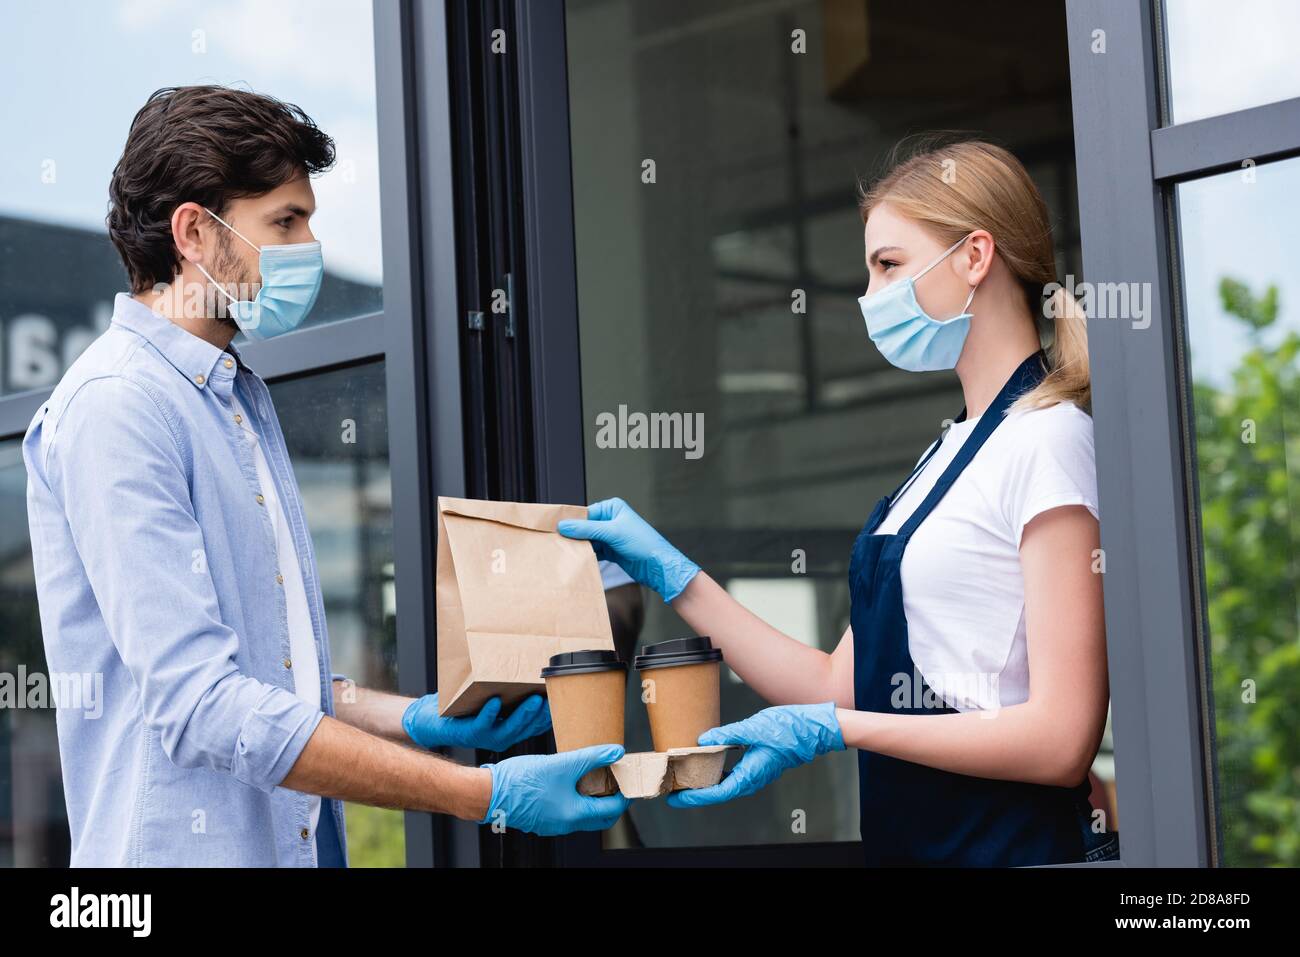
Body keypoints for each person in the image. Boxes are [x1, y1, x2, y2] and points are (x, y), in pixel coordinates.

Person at [23, 85, 627, 867]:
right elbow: (202, 704)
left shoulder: (236, 397)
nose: (308, 244)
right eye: (285, 221)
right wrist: (486, 794)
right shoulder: (119, 407)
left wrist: (413, 718)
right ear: (194, 234)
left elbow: (268, 677)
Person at [559, 139, 1120, 866]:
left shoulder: (1050, 441)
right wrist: (677, 575)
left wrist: (841, 729)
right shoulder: (942, 455)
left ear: (976, 257)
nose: (868, 293)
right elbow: (837, 683)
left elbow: (1061, 738)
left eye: (887, 263)